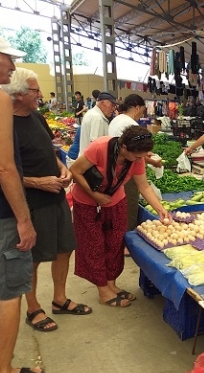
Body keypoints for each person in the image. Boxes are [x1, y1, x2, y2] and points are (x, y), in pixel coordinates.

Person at [1, 68, 92, 332]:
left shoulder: (37, 117)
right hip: (31, 202)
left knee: (65, 248)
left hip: (56, 197)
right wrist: (37, 182)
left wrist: (61, 169)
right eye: (35, 90)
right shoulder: (4, 125)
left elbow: (48, 150)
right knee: (34, 257)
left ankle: (59, 299)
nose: (40, 94)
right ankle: (33, 308)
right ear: (18, 94)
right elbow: (3, 171)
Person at [0, 29, 44, 373]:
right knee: (10, 292)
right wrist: (23, 218)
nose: (13, 66)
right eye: (8, 58)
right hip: (0, 215)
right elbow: (5, 167)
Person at [69, 126, 169, 307]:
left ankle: (111, 285)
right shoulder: (100, 147)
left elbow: (144, 186)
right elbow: (75, 171)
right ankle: (102, 291)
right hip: (88, 200)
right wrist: (95, 195)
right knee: (94, 244)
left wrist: (160, 209)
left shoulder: (136, 158)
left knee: (115, 243)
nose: (140, 160)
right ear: (124, 147)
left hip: (115, 200)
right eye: (138, 156)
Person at [108, 94, 163, 231]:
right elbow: (134, 154)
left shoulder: (117, 119)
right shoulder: (130, 124)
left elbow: (132, 150)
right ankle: (126, 239)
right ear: (137, 108)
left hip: (115, 168)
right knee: (129, 205)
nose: (142, 114)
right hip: (126, 170)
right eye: (143, 110)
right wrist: (152, 161)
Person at [78, 91, 118, 157]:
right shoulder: (98, 118)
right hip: (91, 163)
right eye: (112, 105)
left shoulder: (91, 113)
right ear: (102, 103)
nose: (114, 109)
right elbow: (95, 147)